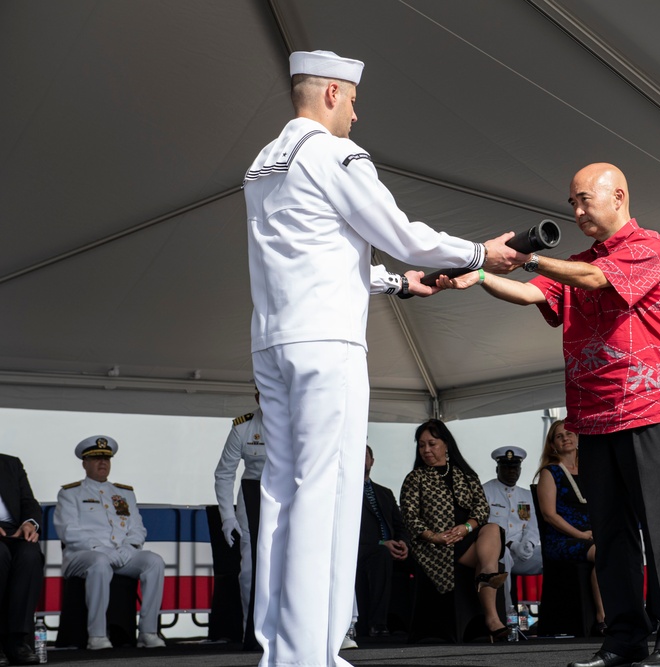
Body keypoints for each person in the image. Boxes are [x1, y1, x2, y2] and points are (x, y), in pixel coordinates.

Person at [242, 49, 520, 666]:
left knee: (284, 495)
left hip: (275, 341)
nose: (358, 116)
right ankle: (314, 653)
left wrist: (395, 284)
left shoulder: (264, 163)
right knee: (329, 491)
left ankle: (279, 651)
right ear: (334, 95)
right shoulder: (333, 154)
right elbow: (399, 231)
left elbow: (311, 255)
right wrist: (477, 253)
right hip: (327, 345)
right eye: (355, 100)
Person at [438, 163, 660, 667]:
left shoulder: (648, 246)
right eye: (572, 203)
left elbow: (598, 280)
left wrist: (531, 259)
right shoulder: (575, 261)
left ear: (618, 196)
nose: (576, 211)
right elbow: (534, 292)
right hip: (594, 418)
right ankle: (624, 640)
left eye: (584, 200)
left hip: (648, 411)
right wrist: (483, 275)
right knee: (612, 534)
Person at [399, 419, 509, 642]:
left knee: (493, 528)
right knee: (488, 554)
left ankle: (487, 573)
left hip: (468, 536)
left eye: (432, 443)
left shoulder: (466, 475)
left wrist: (466, 527)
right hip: (436, 544)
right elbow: (410, 517)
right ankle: (491, 610)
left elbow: (481, 508)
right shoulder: (415, 478)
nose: (426, 450)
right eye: (422, 445)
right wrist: (435, 537)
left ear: (446, 444)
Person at [54, 436, 166, 650]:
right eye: (96, 458)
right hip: (83, 555)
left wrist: (130, 547)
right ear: (84, 463)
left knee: (154, 561)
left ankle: (148, 632)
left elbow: (137, 528)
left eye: (106, 458)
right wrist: (100, 549)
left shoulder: (124, 493)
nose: (102, 462)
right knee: (99, 563)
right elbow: (68, 531)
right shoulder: (70, 493)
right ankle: (97, 635)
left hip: (120, 554)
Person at [535, 420, 605, 631]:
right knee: (602, 553)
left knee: (622, 550)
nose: (565, 438)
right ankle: (603, 616)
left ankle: (629, 612)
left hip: (593, 537)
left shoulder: (591, 468)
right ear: (553, 445)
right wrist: (581, 535)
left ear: (578, 438)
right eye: (559, 436)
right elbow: (549, 515)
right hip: (562, 540)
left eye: (569, 433)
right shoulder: (549, 472)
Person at [213, 391, 266, 631]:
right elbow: (224, 473)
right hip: (252, 498)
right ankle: (252, 630)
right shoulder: (243, 427)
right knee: (250, 569)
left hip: (290, 498)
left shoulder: (297, 422)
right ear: (257, 397)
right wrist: (227, 517)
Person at [481, 446, 542, 615]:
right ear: (497, 469)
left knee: (550, 557)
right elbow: (485, 526)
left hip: (522, 552)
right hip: (499, 550)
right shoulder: (485, 492)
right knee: (505, 557)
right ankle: (507, 613)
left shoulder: (526, 495)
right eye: (506, 467)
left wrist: (528, 543)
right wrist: (511, 544)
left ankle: (555, 613)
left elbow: (532, 525)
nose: (511, 471)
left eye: (515, 468)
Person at [357, 445, 409, 638]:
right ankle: (377, 624)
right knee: (381, 555)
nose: (362, 458)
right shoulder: (344, 492)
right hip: (361, 551)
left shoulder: (385, 492)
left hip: (390, 549)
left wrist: (403, 543)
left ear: (372, 461)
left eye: (365, 455)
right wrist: (381, 544)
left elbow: (400, 525)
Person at [0, 454, 44, 666]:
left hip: (13, 530)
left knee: (30, 555)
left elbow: (29, 501)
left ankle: (17, 640)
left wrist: (30, 523)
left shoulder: (11, 464)